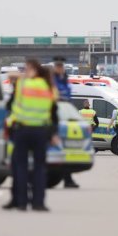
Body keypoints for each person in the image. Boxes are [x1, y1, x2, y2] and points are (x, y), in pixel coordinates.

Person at [6, 59, 57, 211]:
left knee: (20, 167)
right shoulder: (48, 87)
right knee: (40, 168)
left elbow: (11, 104)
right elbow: (53, 110)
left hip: (22, 129)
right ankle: (38, 203)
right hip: (41, 131)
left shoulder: (23, 84)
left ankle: (21, 202)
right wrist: (52, 133)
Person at [51, 56, 78, 188]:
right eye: (58, 66)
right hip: (54, 118)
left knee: (66, 149)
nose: (60, 68)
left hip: (64, 117)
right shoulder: (52, 81)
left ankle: (68, 178)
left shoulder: (65, 80)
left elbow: (68, 100)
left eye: (61, 66)